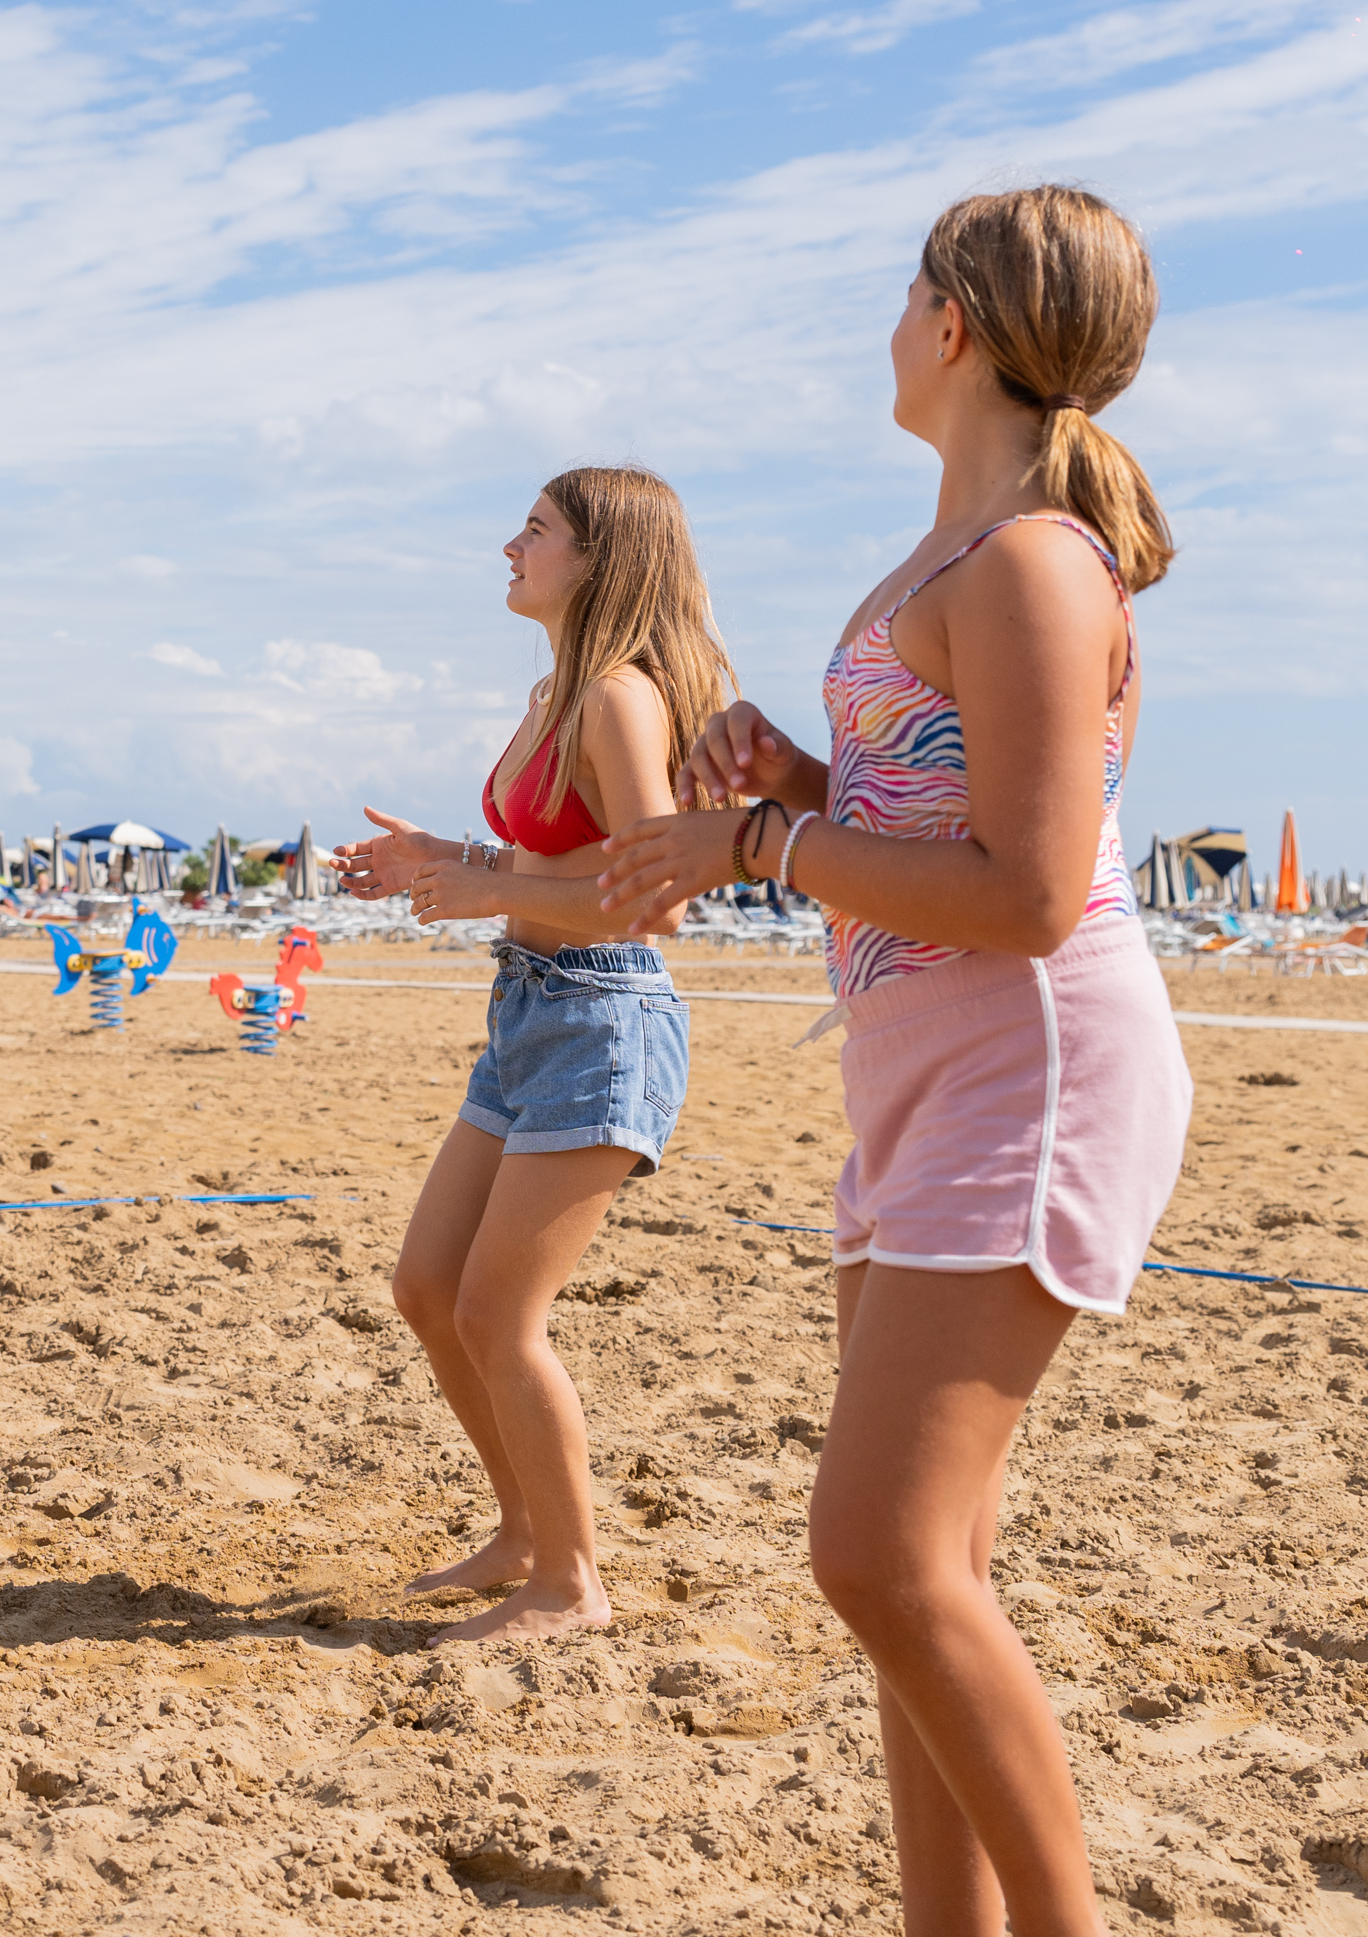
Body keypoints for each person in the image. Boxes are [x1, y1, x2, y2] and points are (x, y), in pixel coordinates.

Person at [599, 185, 1190, 1937]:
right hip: (931, 1060)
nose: (886, 318)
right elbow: (938, 819)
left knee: (881, 1554)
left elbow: (1024, 886)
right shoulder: (961, 551)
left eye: (905, 286)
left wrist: (760, 851)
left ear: (955, 325)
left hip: (1031, 1064)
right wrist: (798, 793)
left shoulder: (1027, 559)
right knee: (915, 1579)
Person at [331, 466, 730, 1642]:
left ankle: (572, 1586)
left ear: (598, 558)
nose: (511, 546)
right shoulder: (555, 688)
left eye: (536, 530)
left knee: (501, 1317)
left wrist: (484, 882)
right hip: (529, 1007)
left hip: (604, 1016)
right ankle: (523, 1531)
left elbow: (654, 899)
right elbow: (548, 863)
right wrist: (442, 858)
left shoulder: (617, 696)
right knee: (427, 1290)